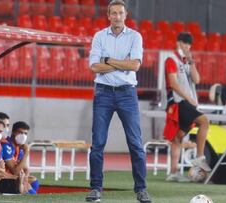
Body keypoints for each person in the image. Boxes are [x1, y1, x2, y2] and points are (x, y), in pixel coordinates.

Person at [86, 1, 151, 202]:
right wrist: (122, 64)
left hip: (127, 94)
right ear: (108, 15)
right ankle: (96, 188)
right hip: (103, 93)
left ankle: (141, 189)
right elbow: (94, 68)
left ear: (126, 15)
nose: (117, 16)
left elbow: (134, 66)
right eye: (113, 13)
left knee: (135, 144)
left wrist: (108, 60)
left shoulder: (135, 36)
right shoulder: (99, 36)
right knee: (98, 144)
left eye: (120, 13)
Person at [163, 32, 211, 182]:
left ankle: (172, 173)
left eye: (190, 45)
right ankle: (199, 157)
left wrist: (192, 62)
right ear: (179, 43)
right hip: (179, 102)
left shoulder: (186, 61)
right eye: (185, 44)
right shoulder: (171, 59)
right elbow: (173, 83)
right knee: (204, 121)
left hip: (186, 102)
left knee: (178, 138)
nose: (188, 47)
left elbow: (196, 80)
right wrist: (189, 98)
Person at [1, 121, 39, 194]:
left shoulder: (19, 147)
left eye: (25, 133)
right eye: (20, 132)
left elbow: (26, 169)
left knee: (34, 180)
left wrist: (25, 179)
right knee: (29, 189)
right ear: (13, 132)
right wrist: (27, 152)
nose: (23, 136)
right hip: (5, 177)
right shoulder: (6, 145)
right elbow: (15, 171)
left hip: (15, 177)